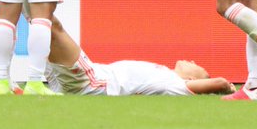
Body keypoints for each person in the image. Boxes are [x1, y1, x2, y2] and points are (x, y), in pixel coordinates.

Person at [45, 26, 236, 97]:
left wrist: (229, 89)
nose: (192, 60)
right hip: (92, 75)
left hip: (92, 83)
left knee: (52, 27)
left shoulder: (175, 85)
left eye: (198, 66)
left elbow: (219, 83)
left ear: (192, 80)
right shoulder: (166, 74)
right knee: (42, 21)